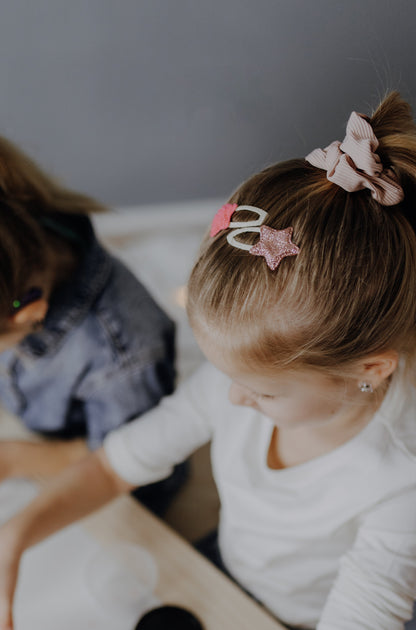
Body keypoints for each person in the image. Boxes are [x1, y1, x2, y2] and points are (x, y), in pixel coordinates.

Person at [0, 91, 415, 630]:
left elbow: (365, 610)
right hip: (238, 565)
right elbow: (114, 464)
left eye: (263, 392)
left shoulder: (401, 479)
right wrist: (18, 534)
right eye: (226, 375)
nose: (232, 397)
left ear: (370, 371)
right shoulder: (234, 383)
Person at [0, 134, 186, 516]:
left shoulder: (124, 353)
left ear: (28, 315)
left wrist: (15, 460)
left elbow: (126, 460)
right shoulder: (19, 252)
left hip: (123, 484)